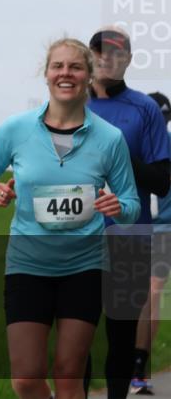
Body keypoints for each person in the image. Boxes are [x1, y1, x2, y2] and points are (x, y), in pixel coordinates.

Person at [0, 37, 140, 399]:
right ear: (46, 74)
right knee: (26, 379)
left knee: (68, 375)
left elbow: (131, 202)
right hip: (28, 264)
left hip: (85, 266)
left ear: (88, 75)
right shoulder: (16, 129)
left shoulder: (109, 138)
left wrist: (119, 207)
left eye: (75, 67)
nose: (66, 73)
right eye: (58, 66)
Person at [85, 29, 171, 399]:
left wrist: (117, 153)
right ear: (90, 56)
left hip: (129, 235)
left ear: (129, 60)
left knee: (120, 337)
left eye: (116, 53)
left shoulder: (144, 109)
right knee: (77, 333)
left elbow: (162, 181)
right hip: (75, 236)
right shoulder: (69, 104)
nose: (107, 58)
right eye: (100, 52)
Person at [128, 92, 171, 395]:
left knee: (148, 294)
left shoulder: (129, 141)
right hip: (144, 226)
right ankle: (137, 369)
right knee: (149, 295)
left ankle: (136, 368)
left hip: (154, 228)